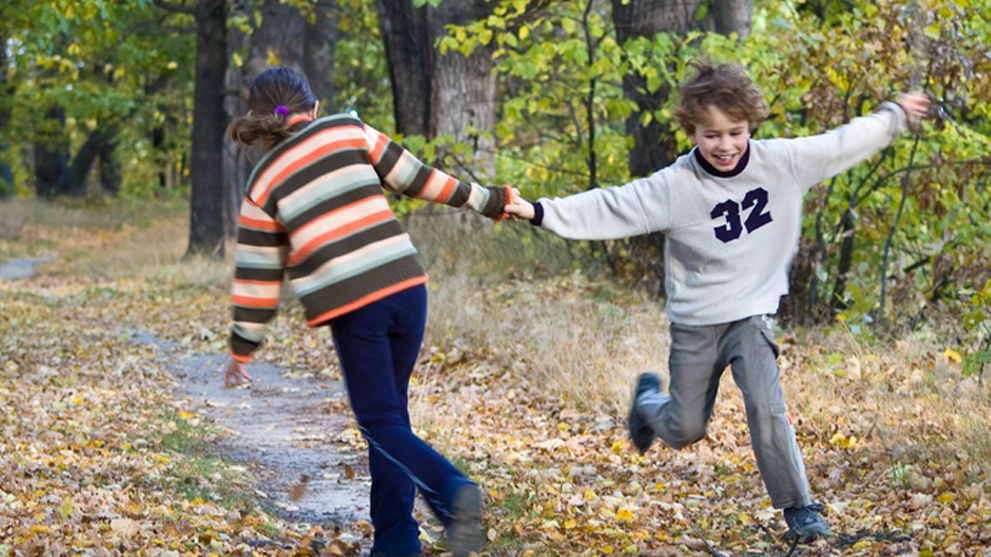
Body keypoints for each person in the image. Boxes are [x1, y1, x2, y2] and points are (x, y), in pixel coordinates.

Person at [504, 60, 929, 543]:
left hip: (751, 316)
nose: (725, 145)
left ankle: (799, 507)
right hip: (696, 324)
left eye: (736, 132)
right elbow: (611, 205)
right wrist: (538, 211)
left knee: (767, 409)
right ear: (691, 132)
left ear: (750, 127)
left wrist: (896, 114)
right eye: (711, 135)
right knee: (686, 428)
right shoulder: (675, 187)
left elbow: (841, 143)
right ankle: (647, 403)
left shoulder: (783, 163)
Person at [223, 66, 512, 557]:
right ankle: (397, 540)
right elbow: (423, 180)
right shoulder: (348, 130)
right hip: (407, 288)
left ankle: (452, 491)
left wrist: (241, 350)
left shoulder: (263, 182)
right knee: (391, 419)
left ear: (261, 122)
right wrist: (491, 201)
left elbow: (257, 275)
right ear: (312, 108)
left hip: (357, 308)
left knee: (381, 423)